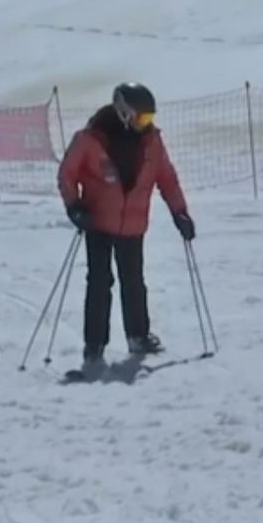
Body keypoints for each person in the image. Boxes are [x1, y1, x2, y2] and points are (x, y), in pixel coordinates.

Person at [57, 82, 195, 368]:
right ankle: (94, 345)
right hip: (97, 223)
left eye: (150, 119)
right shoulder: (90, 140)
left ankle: (138, 336)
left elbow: (166, 177)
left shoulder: (151, 142)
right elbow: (67, 174)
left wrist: (179, 212)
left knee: (134, 283)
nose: (147, 124)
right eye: (142, 118)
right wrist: (74, 207)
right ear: (123, 113)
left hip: (133, 227)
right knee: (99, 283)